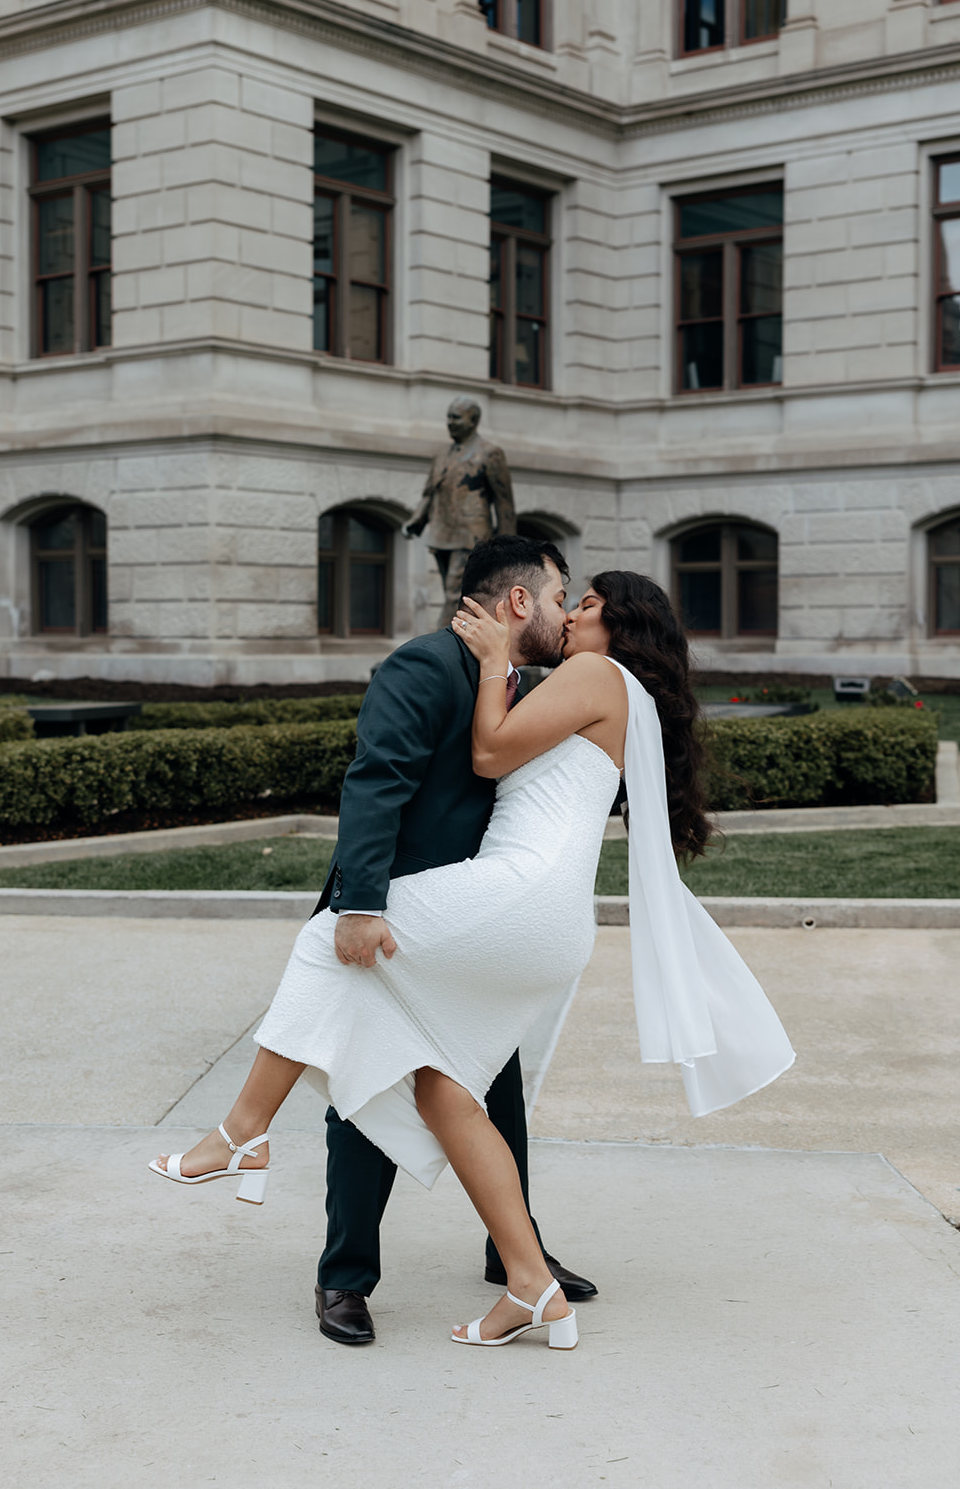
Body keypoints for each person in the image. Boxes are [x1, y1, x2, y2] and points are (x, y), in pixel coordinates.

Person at [151, 558, 794, 1351]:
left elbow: (489, 756)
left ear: (615, 626)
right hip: (540, 921)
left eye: (581, 603)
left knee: (330, 944)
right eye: (564, 599)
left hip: (512, 900)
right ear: (518, 599)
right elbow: (386, 776)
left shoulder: (589, 673)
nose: (568, 616)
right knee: (449, 1090)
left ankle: (241, 1133)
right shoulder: (530, 678)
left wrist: (494, 662)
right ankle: (528, 1284)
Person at [404, 396, 516, 628]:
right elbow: (430, 493)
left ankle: (437, 645)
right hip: (442, 533)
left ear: (473, 420)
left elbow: (504, 503)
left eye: (456, 417)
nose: (450, 422)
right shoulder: (442, 454)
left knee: (455, 594)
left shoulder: (490, 453)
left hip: (471, 536)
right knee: (457, 594)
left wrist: (507, 545)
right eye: (448, 417)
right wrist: (416, 521)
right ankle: (463, 638)